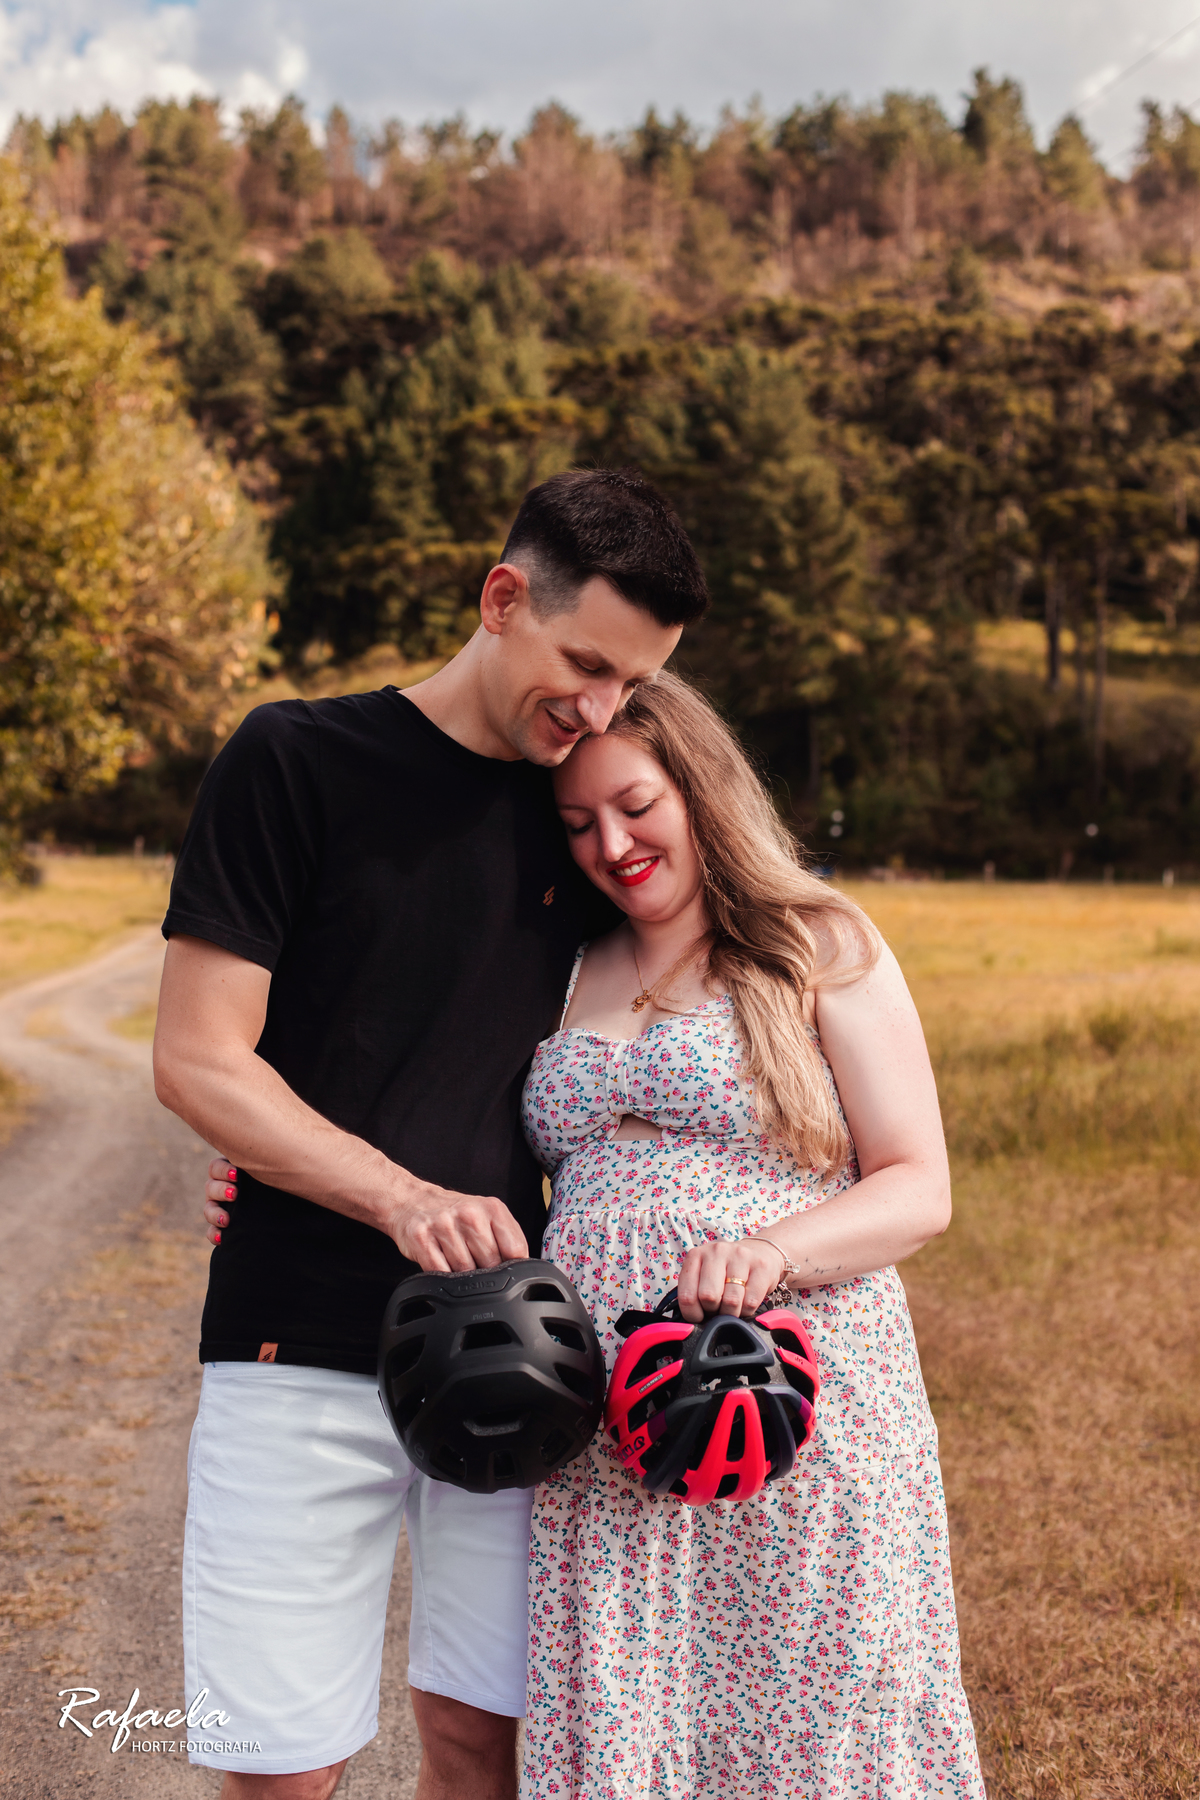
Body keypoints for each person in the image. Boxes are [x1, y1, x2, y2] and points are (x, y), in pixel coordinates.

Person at [152, 468, 709, 1800]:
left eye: (632, 684)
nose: (599, 711)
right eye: (585, 665)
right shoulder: (293, 762)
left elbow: (714, 997)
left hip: (529, 1356)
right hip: (295, 1340)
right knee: (285, 1767)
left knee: (489, 1746)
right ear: (502, 598)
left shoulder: (585, 819)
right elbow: (197, 1057)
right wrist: (391, 1191)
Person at [516, 672, 987, 1798]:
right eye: (578, 824)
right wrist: (262, 1176)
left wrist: (771, 1253)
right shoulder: (562, 962)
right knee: (637, 1708)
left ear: (701, 788)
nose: (611, 845)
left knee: (812, 1713)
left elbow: (919, 1184)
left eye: (636, 805)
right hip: (612, 1430)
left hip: (787, 1401)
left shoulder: (812, 940)